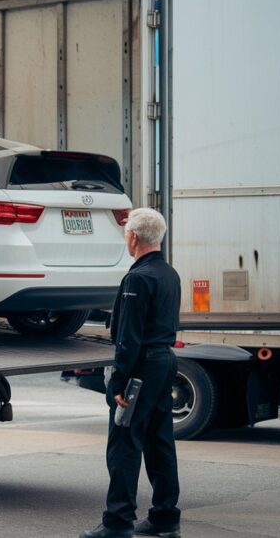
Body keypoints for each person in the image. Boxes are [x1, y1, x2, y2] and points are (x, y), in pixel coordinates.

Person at [81, 208, 182, 538]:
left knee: (124, 442)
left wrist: (119, 381)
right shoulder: (169, 274)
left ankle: (118, 521)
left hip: (141, 367)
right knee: (160, 440)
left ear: (134, 237)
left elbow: (129, 337)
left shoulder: (137, 278)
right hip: (165, 361)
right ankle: (165, 517)